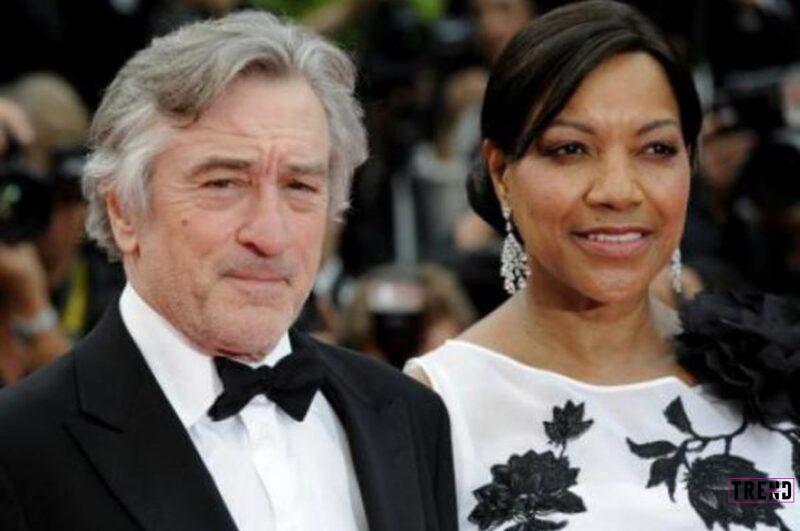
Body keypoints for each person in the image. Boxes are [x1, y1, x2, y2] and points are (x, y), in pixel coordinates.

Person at [0, 12, 457, 531]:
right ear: (124, 210)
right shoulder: (18, 449)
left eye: (300, 187)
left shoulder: (410, 416)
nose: (270, 234)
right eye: (223, 184)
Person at [406, 2, 800, 530]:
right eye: (571, 149)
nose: (618, 191)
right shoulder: (438, 406)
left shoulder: (765, 377)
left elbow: (772, 494)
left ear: (690, 164)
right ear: (501, 173)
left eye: (656, 149)